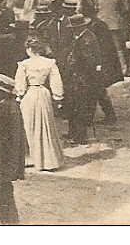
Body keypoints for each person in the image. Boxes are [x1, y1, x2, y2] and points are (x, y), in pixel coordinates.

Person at [14, 37, 65, 171]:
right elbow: (56, 81)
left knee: (29, 125)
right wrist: (57, 96)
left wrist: (19, 95)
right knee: (45, 124)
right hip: (43, 94)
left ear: (29, 49)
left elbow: (19, 84)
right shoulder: (49, 63)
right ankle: (48, 160)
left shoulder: (24, 64)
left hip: (30, 95)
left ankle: (31, 157)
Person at [57, 14, 104, 145]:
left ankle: (80, 136)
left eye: (74, 27)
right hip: (76, 77)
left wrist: (82, 76)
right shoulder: (81, 37)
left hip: (82, 79)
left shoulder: (86, 40)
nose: (72, 30)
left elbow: (89, 62)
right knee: (74, 106)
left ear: (80, 27)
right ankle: (73, 133)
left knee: (80, 107)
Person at [0, 74, 25, 224]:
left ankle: (10, 222)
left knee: (3, 192)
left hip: (4, 158)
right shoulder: (7, 105)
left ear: (2, 92)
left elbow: (10, 138)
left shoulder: (7, 108)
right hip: (5, 157)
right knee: (2, 191)